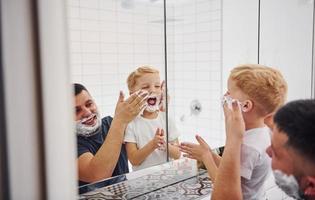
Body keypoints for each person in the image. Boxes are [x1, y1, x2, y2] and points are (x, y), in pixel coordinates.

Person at [180, 64, 287, 200]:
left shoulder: (248, 147)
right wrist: (210, 154)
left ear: (246, 105)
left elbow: (226, 188)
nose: (225, 95)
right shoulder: (262, 132)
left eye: (229, 92)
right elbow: (232, 171)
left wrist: (206, 157)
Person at [74, 83, 148, 186]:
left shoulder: (110, 123)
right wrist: (120, 120)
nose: (87, 112)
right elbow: (96, 174)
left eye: (89, 104)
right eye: (76, 110)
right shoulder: (69, 146)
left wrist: (159, 110)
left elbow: (145, 135)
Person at [124, 66, 181, 171]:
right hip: (142, 180)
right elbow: (134, 160)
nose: (152, 90)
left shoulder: (166, 118)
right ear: (133, 95)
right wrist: (153, 144)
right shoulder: (131, 123)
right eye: (145, 87)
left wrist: (165, 146)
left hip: (168, 175)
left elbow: (177, 154)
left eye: (157, 86)